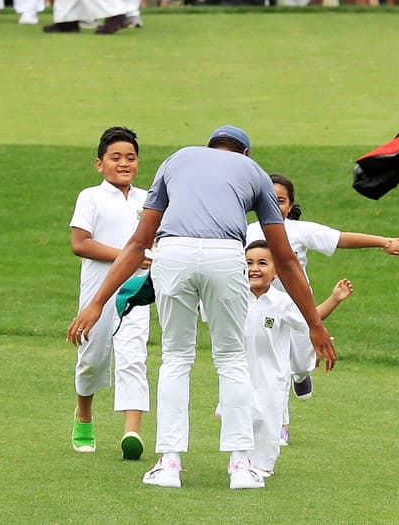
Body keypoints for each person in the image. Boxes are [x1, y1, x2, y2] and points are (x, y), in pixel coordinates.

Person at [65, 124, 337, 491]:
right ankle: (242, 464)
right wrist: (314, 324)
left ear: (210, 148)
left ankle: (169, 463)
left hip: (172, 252)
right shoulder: (253, 172)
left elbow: (138, 243)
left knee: (177, 357)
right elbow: (285, 260)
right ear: (244, 154)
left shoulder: (177, 159)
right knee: (231, 358)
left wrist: (98, 303)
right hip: (226, 254)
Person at [246, 172, 399, 441]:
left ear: (290, 205)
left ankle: (301, 376)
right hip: (260, 306)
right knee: (271, 365)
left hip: (298, 306)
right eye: (270, 200)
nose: (276, 206)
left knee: (297, 364)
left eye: (282, 200)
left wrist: (384, 242)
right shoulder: (246, 231)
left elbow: (340, 238)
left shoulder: (300, 230)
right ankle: (280, 426)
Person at [68, 126, 151, 459]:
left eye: (130, 158)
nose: (124, 163)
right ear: (99, 164)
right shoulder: (91, 197)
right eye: (115, 158)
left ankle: (132, 432)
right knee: (92, 359)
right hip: (97, 291)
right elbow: (80, 243)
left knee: (133, 356)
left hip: (136, 291)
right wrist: (127, 256)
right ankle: (84, 416)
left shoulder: (149, 199)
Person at [242, 240, 350, 477]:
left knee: (268, 420)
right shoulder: (236, 298)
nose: (254, 268)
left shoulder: (282, 302)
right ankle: (240, 461)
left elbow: (311, 319)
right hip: (241, 372)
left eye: (262, 263)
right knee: (242, 416)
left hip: (272, 375)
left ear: (277, 271)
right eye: (249, 263)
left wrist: (334, 299)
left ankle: (263, 466)